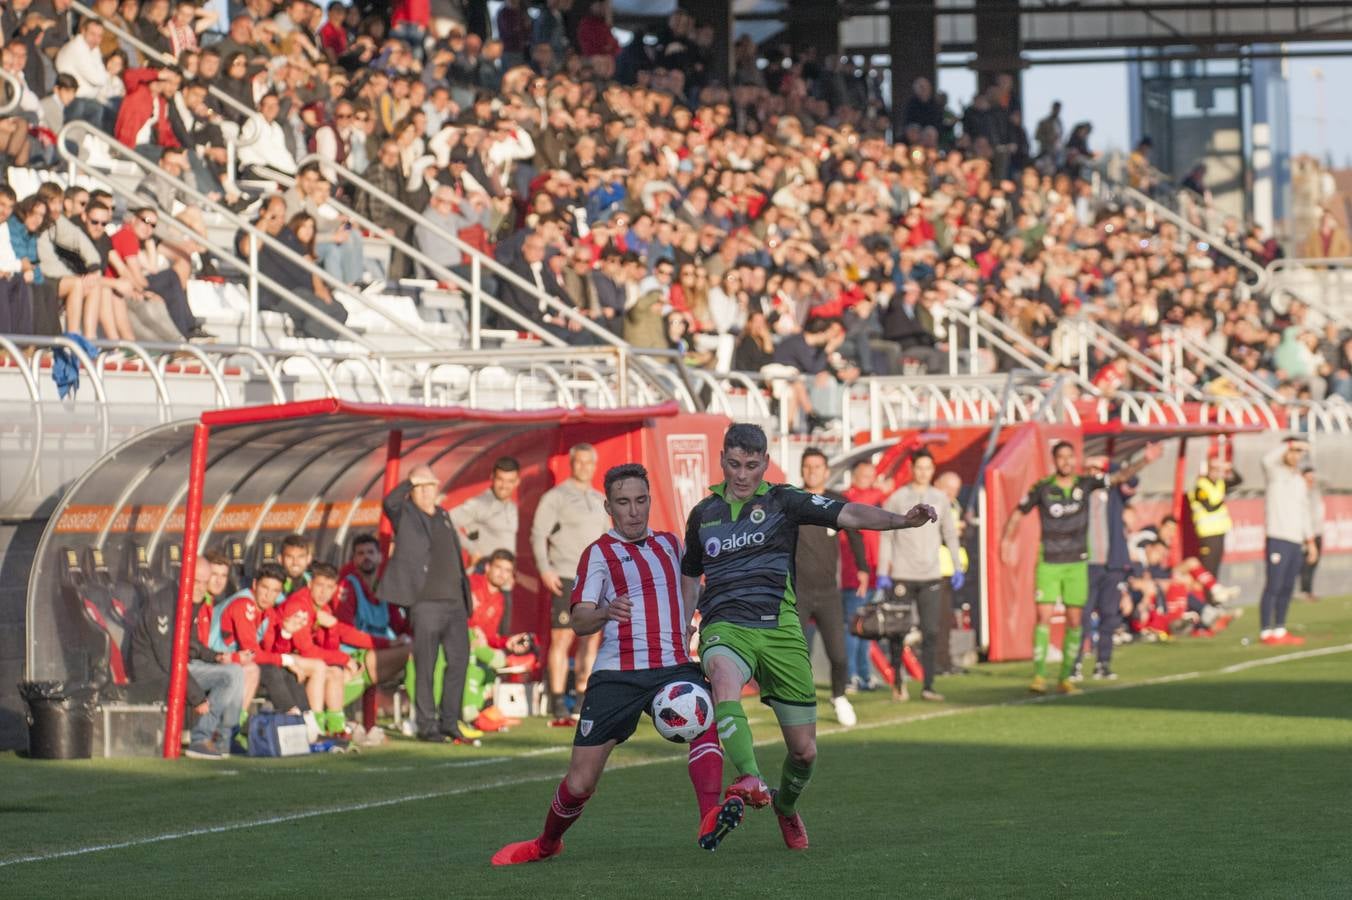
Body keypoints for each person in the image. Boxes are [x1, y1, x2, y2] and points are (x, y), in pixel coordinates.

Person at [680, 423, 938, 850]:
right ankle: (748, 776)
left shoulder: (785, 500)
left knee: (804, 752)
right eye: (733, 464)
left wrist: (900, 522)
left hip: (780, 629)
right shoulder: (702, 515)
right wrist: (688, 620)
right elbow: (691, 575)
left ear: (764, 463)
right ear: (722, 460)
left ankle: (784, 806)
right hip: (725, 623)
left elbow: (848, 512)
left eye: (750, 465)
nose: (741, 474)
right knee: (723, 675)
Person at [492, 463, 739, 866]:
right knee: (582, 779)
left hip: (672, 665)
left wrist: (692, 626)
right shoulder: (598, 554)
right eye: (624, 503)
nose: (634, 511)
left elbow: (692, 588)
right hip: (617, 674)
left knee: (702, 715)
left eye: (641, 501)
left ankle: (709, 817)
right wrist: (607, 611)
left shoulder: (671, 544)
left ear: (649, 501)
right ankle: (546, 843)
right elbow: (579, 620)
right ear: (609, 506)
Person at [1000, 440, 1162, 695]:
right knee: (1043, 617)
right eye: (1061, 457)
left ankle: (1065, 677)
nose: (1066, 462)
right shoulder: (1043, 488)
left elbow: (1119, 477)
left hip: (1077, 563)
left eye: (1069, 457)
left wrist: (1145, 460)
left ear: (1075, 460)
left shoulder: (1085, 484)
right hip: (1050, 562)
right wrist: (1007, 541)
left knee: (1075, 621)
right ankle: (1039, 676)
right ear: (1054, 461)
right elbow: (1020, 511)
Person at [383, 464, 478, 743]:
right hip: (425, 602)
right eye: (420, 487)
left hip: (455, 602)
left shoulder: (444, 515)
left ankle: (450, 720)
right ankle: (426, 724)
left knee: (459, 661)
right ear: (412, 490)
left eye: (430, 486)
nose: (426, 492)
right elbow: (389, 502)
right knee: (426, 665)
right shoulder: (406, 514)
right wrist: (411, 480)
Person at [531, 443, 611, 726]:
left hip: (594, 579)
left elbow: (608, 541)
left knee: (591, 640)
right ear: (572, 463)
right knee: (562, 639)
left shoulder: (600, 498)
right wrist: (545, 569)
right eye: (580, 462)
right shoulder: (556, 497)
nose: (584, 467)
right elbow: (538, 533)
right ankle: (556, 701)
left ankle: (581, 699)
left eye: (589, 463)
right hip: (565, 575)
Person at [876, 449, 961, 702]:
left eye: (928, 468)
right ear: (912, 469)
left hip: (931, 574)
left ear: (933, 471)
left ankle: (929, 685)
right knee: (897, 630)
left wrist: (957, 566)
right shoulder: (898, 498)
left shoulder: (941, 499)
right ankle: (898, 683)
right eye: (919, 467)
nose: (923, 472)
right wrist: (883, 571)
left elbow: (950, 534)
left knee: (931, 630)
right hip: (903, 573)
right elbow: (887, 536)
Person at [793, 448, 859, 726]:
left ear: (826, 469)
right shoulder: (792, 500)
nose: (812, 471)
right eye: (807, 466)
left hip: (828, 591)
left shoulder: (836, 501)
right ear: (801, 470)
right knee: (797, 653)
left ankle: (839, 696)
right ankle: (796, 703)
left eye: (818, 466)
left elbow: (855, 531)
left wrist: (864, 568)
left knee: (839, 655)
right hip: (798, 590)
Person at [1075, 456, 1136, 681]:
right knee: (1081, 616)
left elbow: (1133, 478)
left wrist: (1111, 464)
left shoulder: (1114, 494)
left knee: (1109, 617)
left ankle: (1103, 663)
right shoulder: (1079, 494)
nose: (1093, 474)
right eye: (1089, 469)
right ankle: (1075, 664)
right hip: (1086, 565)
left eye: (1097, 469)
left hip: (1112, 565)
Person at [463, 549, 534, 732]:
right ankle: (469, 714)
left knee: (489, 665)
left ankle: (483, 711)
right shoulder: (471, 584)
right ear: (487, 567)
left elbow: (490, 637)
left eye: (507, 570)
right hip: (458, 642)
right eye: (498, 568)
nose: (502, 574)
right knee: (487, 658)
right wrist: (471, 628)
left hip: (478, 648)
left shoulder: (500, 599)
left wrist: (507, 643)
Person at [1258, 438, 1316, 646]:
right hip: (1277, 537)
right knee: (1273, 584)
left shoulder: (1299, 480)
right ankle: (1266, 631)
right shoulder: (1275, 473)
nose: (1296, 456)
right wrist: (1291, 443)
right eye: (1294, 451)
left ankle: (1280, 628)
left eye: (1300, 453)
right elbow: (1266, 459)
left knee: (1288, 586)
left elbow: (1304, 512)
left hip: (1295, 540)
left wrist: (1310, 541)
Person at [841, 459, 885, 692]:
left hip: (875, 573)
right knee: (853, 626)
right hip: (854, 574)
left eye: (872, 474)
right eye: (866, 474)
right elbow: (865, 506)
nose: (870, 478)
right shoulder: (848, 498)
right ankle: (851, 675)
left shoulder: (877, 497)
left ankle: (865, 674)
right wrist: (881, 489)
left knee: (867, 628)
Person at [451, 456, 521, 567]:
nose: (504, 486)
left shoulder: (513, 508)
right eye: (500, 479)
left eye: (510, 481)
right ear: (492, 478)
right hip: (482, 575)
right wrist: (472, 549)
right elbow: (447, 522)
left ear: (517, 482)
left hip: (506, 578)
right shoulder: (479, 503)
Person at [1189, 449, 1241, 578]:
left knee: (1216, 568)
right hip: (1207, 533)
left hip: (1219, 531)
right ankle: (1205, 597)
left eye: (1218, 469)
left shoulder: (1220, 483)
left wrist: (1229, 467)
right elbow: (1209, 507)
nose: (1216, 472)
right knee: (1208, 568)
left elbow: (1239, 480)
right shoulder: (1200, 486)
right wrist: (1222, 499)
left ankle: (1212, 596)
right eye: (1214, 468)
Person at [1299, 464, 1324, 602]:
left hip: (1318, 531)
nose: (1311, 478)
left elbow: (1328, 481)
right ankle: (1304, 592)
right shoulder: (1300, 491)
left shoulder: (1316, 489)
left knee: (1314, 563)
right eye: (1308, 475)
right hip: (1307, 534)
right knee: (1306, 563)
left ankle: (1309, 591)